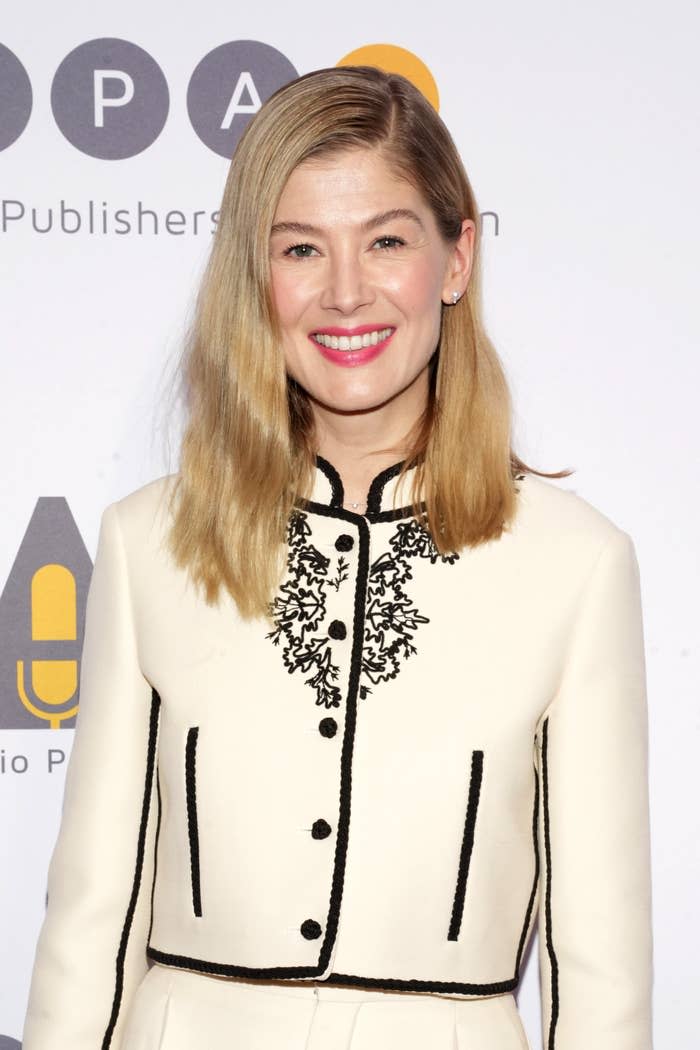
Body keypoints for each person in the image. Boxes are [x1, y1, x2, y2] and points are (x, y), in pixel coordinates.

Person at [22, 66, 652, 1050]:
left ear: (455, 259)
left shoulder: (574, 563)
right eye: (300, 248)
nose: (345, 291)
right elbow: (90, 922)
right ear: (251, 276)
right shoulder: (148, 542)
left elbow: (599, 968)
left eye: (388, 241)